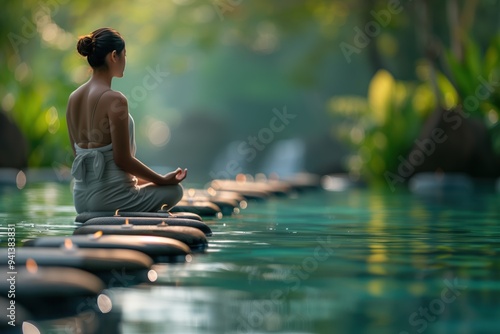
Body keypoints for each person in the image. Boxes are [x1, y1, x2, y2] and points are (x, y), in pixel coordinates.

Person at [66, 27, 187, 213]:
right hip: (112, 201)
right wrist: (163, 181)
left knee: (158, 187)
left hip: (80, 200)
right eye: (125, 54)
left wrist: (156, 178)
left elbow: (79, 156)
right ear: (114, 56)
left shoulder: (73, 98)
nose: (125, 60)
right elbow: (122, 160)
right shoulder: (115, 100)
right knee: (174, 191)